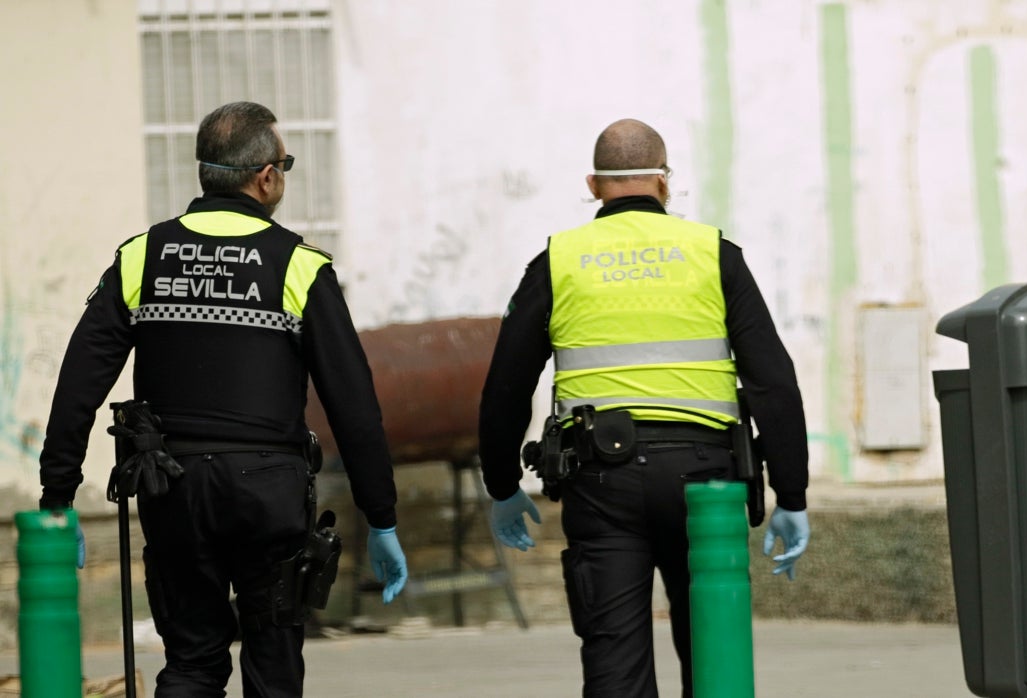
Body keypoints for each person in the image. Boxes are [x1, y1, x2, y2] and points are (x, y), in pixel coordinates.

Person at [37, 101, 408, 697]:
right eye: (285, 163)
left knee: (190, 662)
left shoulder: (141, 256)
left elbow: (79, 380)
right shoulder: (298, 265)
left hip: (171, 487)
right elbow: (354, 403)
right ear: (266, 177)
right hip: (269, 492)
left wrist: (59, 492)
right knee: (273, 665)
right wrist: (381, 515)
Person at [479, 118, 811, 697]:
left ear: (592, 183)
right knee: (715, 652)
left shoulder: (559, 260)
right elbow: (773, 383)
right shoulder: (714, 254)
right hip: (706, 484)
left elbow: (505, 386)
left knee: (615, 661)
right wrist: (794, 492)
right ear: (665, 182)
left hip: (601, 483)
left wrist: (503, 483)